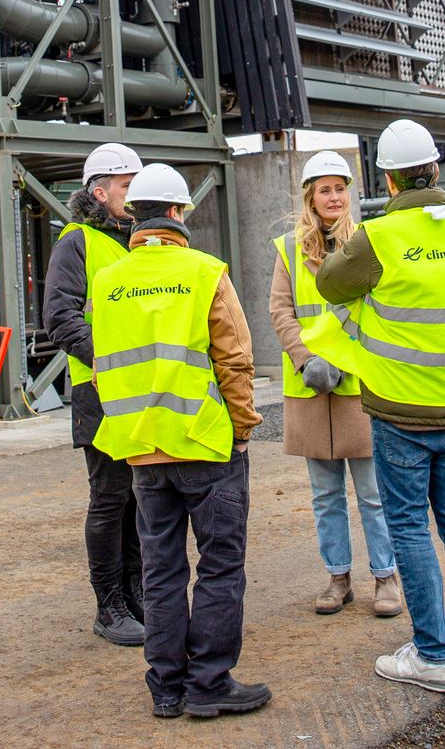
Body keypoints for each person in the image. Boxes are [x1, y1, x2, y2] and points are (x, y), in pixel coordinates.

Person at [307, 119, 445, 694]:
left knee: (408, 526)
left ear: (389, 179)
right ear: (434, 168)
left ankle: (430, 654)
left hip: (399, 408)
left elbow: (331, 285)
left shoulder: (380, 237)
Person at [89, 164, 268, 721]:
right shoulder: (204, 272)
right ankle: (209, 683)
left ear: (135, 215)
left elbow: (102, 366)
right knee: (219, 565)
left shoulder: (108, 281)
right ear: (178, 213)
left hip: (142, 451)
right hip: (205, 445)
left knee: (160, 570)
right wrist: (240, 432)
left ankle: (166, 688)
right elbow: (235, 360)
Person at [269, 149, 402, 619]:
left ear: (350, 194)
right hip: (309, 387)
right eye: (324, 189)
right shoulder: (288, 248)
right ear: (310, 197)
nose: (333, 197)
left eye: (340, 189)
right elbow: (281, 311)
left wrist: (341, 359)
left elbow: (376, 310)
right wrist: (306, 360)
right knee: (325, 496)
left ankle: (386, 578)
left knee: (372, 493)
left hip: (356, 385)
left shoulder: (368, 242)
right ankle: (338, 577)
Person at [41, 142, 146, 647]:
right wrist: (104, 360)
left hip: (143, 389)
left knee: (139, 498)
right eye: (127, 187)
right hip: (98, 389)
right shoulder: (77, 241)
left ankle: (138, 596)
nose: (135, 195)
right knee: (109, 498)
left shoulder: (142, 241)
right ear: (99, 191)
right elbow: (59, 318)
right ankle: (109, 607)